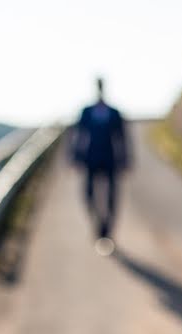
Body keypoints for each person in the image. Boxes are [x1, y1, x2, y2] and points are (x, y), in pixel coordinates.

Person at [71, 77, 130, 255]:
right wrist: (75, 156)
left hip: (110, 160)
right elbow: (79, 135)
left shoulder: (114, 112)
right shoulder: (86, 112)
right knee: (88, 196)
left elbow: (122, 138)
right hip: (90, 159)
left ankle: (107, 232)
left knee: (112, 197)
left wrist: (125, 159)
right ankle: (98, 226)